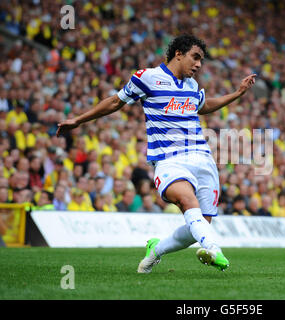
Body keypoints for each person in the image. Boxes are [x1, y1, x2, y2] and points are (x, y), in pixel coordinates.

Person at [57, 34, 256, 273]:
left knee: (202, 223)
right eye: (195, 57)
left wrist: (237, 93)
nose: (199, 65)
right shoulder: (148, 78)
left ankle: (156, 250)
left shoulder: (192, 86)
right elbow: (114, 102)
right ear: (178, 54)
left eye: (201, 60)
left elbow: (204, 106)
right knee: (186, 201)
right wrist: (79, 120)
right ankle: (214, 249)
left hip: (202, 158)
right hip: (169, 160)